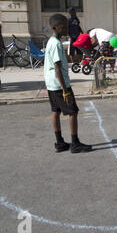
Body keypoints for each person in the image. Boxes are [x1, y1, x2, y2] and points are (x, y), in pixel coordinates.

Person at [44, 14, 92, 153]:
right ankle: (75, 143)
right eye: (63, 26)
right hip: (59, 84)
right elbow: (57, 68)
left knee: (56, 110)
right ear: (54, 27)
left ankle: (59, 142)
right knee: (73, 112)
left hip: (51, 83)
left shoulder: (51, 41)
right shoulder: (57, 44)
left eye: (67, 26)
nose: (66, 29)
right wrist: (65, 90)